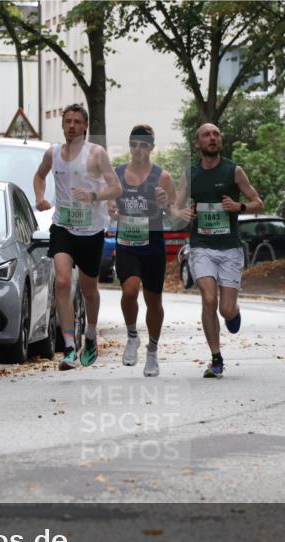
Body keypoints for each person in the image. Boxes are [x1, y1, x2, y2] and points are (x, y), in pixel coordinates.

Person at [170, 123, 264, 378]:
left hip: (230, 249)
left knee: (225, 309)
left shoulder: (234, 171)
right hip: (201, 246)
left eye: (216, 134)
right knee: (208, 298)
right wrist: (182, 212)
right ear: (198, 143)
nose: (212, 138)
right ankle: (216, 357)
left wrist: (239, 207)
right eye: (206, 135)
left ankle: (234, 313)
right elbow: (174, 209)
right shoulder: (190, 175)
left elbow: (258, 202)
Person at [34, 103, 122, 370]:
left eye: (76, 122)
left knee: (88, 289)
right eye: (67, 121)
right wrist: (40, 198)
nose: (71, 126)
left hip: (92, 229)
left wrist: (94, 196)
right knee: (62, 281)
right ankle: (69, 347)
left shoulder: (96, 154)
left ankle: (91, 335)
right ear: (62, 125)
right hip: (63, 225)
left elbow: (115, 187)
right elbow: (39, 176)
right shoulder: (53, 154)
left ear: (85, 126)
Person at [108, 124, 176, 378]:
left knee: (153, 301)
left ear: (151, 147)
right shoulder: (117, 174)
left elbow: (175, 212)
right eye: (134, 144)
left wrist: (166, 204)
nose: (138, 149)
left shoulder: (162, 177)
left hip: (153, 245)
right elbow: (110, 204)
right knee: (129, 290)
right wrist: (112, 211)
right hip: (126, 244)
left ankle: (153, 351)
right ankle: (132, 336)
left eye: (143, 145)